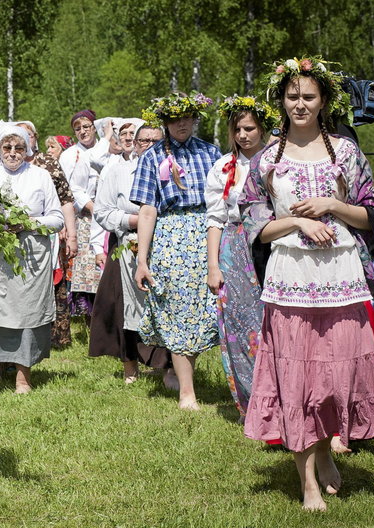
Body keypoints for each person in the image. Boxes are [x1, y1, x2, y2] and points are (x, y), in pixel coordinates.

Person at [240, 56, 374, 511]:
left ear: (324, 101)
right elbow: (254, 224)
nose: (299, 103)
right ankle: (308, 480)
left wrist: (332, 205)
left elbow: (370, 215)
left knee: (337, 373)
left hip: (340, 279)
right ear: (281, 100)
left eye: (308, 96)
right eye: (292, 96)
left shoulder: (346, 152)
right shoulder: (266, 159)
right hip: (291, 281)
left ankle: (328, 447)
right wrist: (296, 221)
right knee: (295, 379)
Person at [132, 92, 220, 410]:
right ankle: (187, 392)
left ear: (195, 119)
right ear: (165, 122)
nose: (181, 124)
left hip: (208, 234)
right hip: (170, 237)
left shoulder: (212, 153)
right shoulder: (152, 157)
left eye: (187, 118)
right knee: (177, 311)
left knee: (207, 310)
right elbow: (146, 211)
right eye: (174, 119)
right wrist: (142, 259)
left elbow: (223, 202)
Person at [0, 125, 63, 393]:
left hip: (30, 256)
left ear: (27, 151)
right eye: (7, 148)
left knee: (28, 312)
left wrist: (29, 223)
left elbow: (57, 218)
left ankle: (23, 373)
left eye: (19, 148)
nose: (13, 153)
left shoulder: (40, 176)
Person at [204, 96, 277, 417]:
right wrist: (213, 266)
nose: (244, 135)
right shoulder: (223, 167)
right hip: (235, 247)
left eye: (250, 128)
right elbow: (215, 219)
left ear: (262, 129)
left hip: (273, 242)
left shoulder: (278, 159)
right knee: (240, 322)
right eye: (238, 129)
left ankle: (284, 397)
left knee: (274, 321)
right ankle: (253, 401)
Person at [90, 124, 172, 382]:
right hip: (128, 242)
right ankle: (130, 365)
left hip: (168, 242)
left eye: (154, 140)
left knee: (167, 303)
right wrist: (135, 220)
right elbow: (102, 211)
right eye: (143, 140)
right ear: (134, 145)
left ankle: (169, 367)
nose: (148, 145)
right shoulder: (117, 171)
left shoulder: (173, 168)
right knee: (123, 306)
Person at [17, 122, 77, 348]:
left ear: (35, 138)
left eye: (29, 135)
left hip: (52, 230)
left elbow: (66, 199)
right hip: (17, 234)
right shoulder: (7, 163)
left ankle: (57, 337)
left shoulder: (48, 163)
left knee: (56, 283)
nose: (25, 139)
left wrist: (71, 234)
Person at [60, 110, 103, 324]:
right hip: (84, 215)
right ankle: (88, 320)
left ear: (94, 127)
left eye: (86, 127)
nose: (83, 131)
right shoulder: (70, 155)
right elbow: (69, 188)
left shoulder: (106, 149)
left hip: (107, 214)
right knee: (86, 268)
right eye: (78, 129)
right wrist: (90, 206)